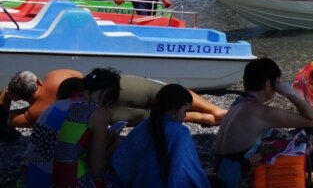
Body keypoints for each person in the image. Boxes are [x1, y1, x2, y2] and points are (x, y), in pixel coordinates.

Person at [214, 57, 313, 187]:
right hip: (237, 179)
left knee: (279, 134)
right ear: (268, 84)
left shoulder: (239, 102)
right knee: (311, 134)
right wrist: (289, 93)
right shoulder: (261, 112)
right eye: (277, 83)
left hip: (222, 170)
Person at [3, 70, 226, 129]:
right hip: (113, 86)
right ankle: (215, 110)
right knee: (165, 91)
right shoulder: (55, 75)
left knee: (154, 115)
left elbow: (7, 119)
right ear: (39, 82)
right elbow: (81, 76)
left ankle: (201, 117)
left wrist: (5, 97)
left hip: (104, 113)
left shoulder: (35, 113)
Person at [22, 67, 121, 188]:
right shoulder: (97, 113)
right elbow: (96, 168)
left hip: (30, 178)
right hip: (64, 182)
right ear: (106, 93)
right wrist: (105, 141)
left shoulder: (57, 104)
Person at [112, 83, 211, 188]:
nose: (185, 116)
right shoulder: (180, 132)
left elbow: (120, 162)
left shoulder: (144, 125)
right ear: (174, 110)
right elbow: (183, 173)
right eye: (185, 111)